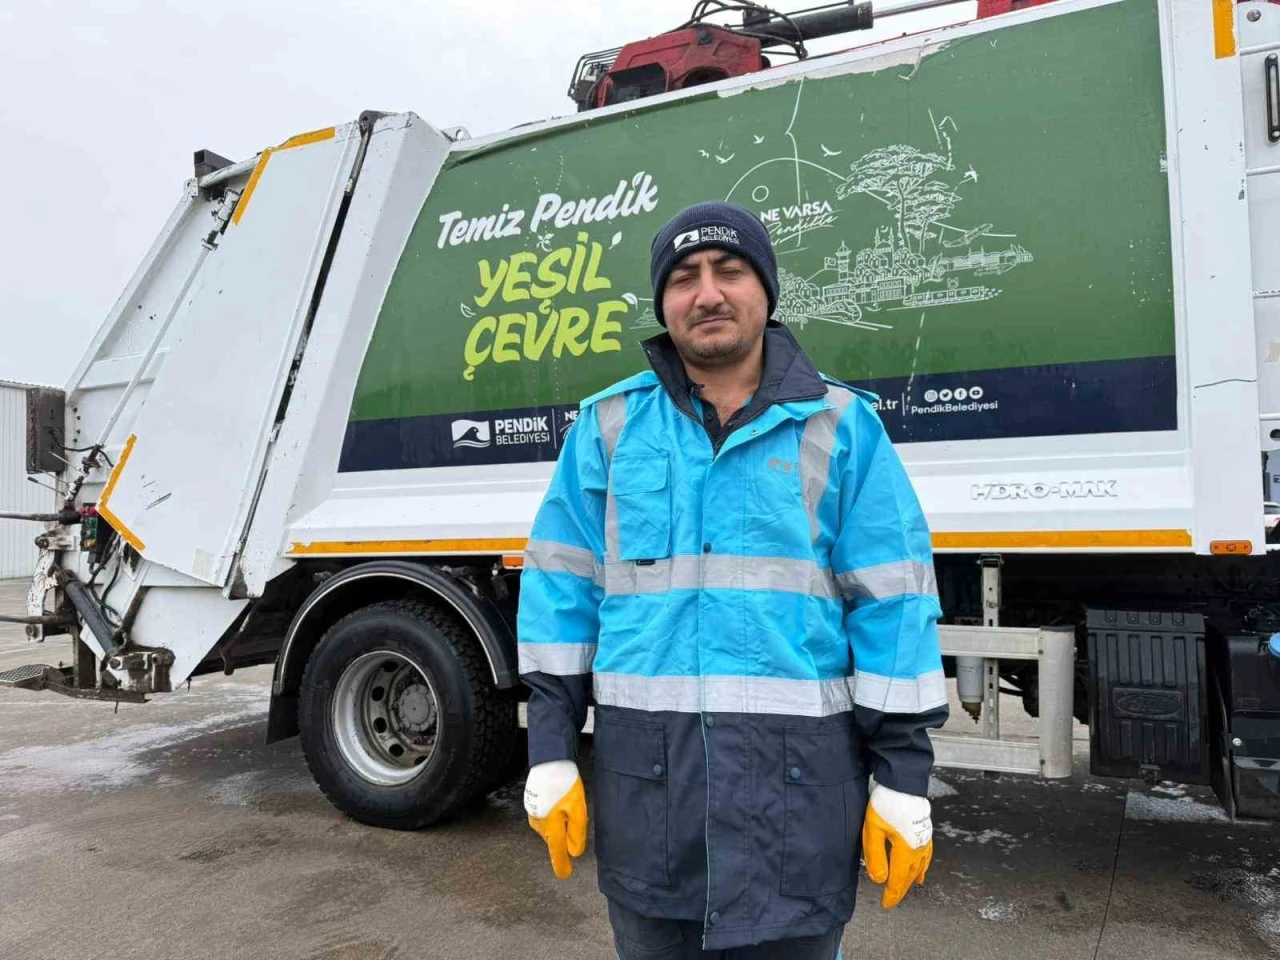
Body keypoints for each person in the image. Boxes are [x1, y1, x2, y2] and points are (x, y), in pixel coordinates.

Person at [516, 200, 947, 959]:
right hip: (651, 808)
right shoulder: (609, 429)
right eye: (683, 277)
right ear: (663, 303)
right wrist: (550, 748)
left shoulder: (842, 426)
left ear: (766, 289)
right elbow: (560, 592)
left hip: (794, 811)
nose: (707, 293)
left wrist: (902, 773)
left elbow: (895, 604)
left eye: (729, 270)